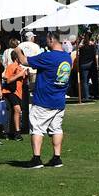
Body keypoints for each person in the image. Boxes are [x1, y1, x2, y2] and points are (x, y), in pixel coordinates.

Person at [23, 32, 74, 169]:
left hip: (44, 100)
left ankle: (36, 158)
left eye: (47, 40)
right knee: (56, 129)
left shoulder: (48, 56)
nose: (46, 42)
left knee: (37, 129)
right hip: (59, 100)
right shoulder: (67, 58)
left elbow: (24, 61)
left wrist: (17, 48)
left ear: (51, 39)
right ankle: (56, 157)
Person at [2, 48, 27, 139]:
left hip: (18, 93)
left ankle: (13, 132)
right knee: (17, 109)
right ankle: (17, 133)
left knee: (16, 111)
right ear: (17, 58)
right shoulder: (11, 66)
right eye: (21, 56)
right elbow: (8, 80)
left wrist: (25, 75)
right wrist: (19, 75)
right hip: (10, 92)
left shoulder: (21, 68)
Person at [77, 35, 97, 101]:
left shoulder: (81, 48)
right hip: (91, 64)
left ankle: (86, 96)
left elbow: (80, 57)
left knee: (85, 81)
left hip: (83, 65)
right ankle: (95, 94)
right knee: (94, 80)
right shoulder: (92, 47)